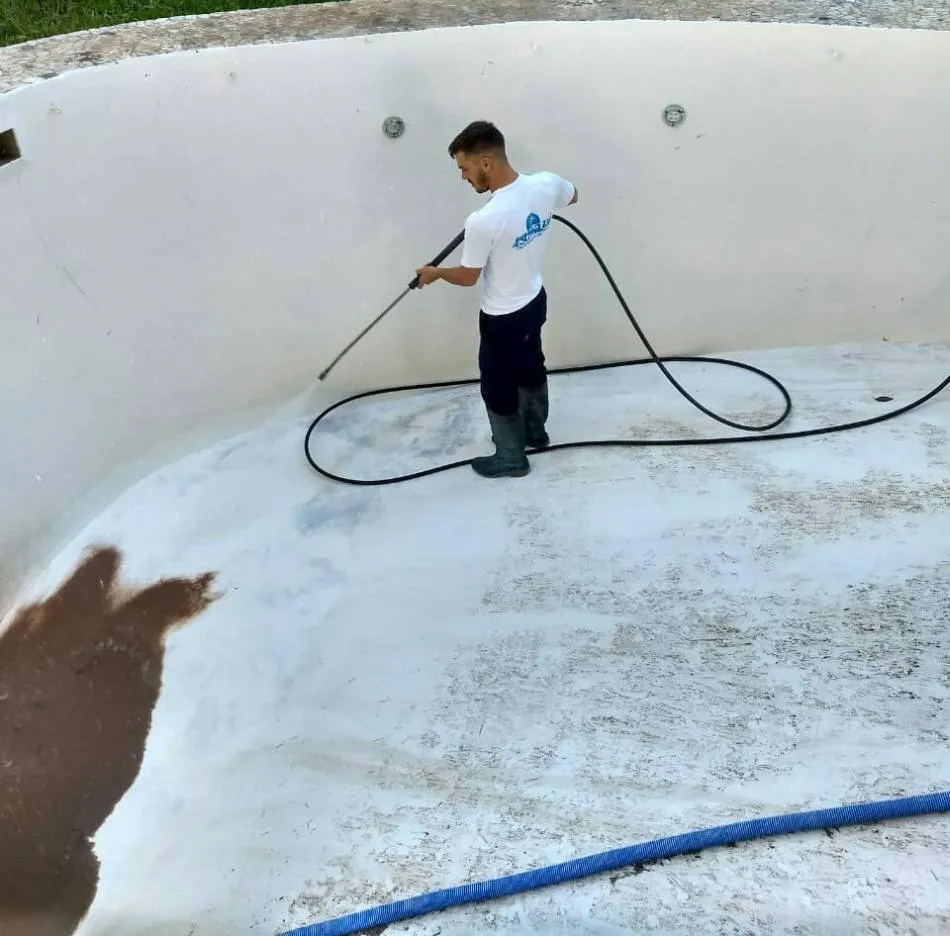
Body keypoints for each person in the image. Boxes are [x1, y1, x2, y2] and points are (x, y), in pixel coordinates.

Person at [414, 120, 578, 478]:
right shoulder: (546, 184)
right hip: (535, 302)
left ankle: (510, 457)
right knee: (532, 364)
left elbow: (468, 277)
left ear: (486, 162)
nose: (463, 176)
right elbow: (573, 194)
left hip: (502, 318)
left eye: (464, 167)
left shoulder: (484, 220)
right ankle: (535, 432)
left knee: (498, 385)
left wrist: (436, 274)